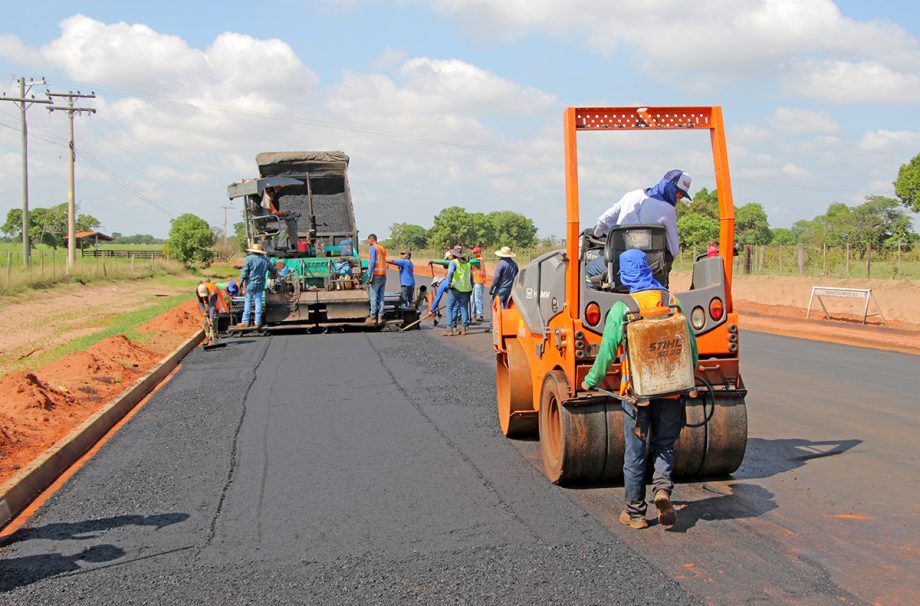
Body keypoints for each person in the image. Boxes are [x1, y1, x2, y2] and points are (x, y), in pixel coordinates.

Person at [580, 249, 698, 530]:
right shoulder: (672, 301)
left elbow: (607, 351)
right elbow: (690, 345)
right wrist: (690, 380)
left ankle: (635, 513)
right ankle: (662, 490)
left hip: (637, 395)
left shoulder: (624, 308)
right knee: (664, 445)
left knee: (635, 451)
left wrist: (591, 380)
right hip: (672, 390)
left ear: (625, 275)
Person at [592, 170, 692, 287]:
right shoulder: (668, 210)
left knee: (588, 271)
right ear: (669, 187)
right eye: (678, 194)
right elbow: (674, 250)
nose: (679, 199)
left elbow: (604, 220)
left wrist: (597, 234)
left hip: (619, 268)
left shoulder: (631, 196)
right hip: (652, 272)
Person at [236, 243, 278, 329]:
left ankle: (245, 322)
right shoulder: (265, 260)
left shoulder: (249, 259)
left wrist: (240, 282)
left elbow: (244, 272)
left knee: (248, 301)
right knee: (258, 301)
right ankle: (258, 322)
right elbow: (273, 269)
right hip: (260, 284)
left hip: (250, 284)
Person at [444, 245, 473, 336]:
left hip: (455, 288)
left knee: (449, 308)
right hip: (466, 289)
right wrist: (471, 287)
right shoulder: (468, 263)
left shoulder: (453, 262)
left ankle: (450, 329)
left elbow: (451, 272)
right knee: (464, 308)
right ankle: (463, 328)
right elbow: (471, 277)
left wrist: (449, 282)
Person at [365, 233, 388, 324]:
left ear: (371, 240)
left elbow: (373, 261)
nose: (368, 242)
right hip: (383, 275)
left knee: (373, 296)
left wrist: (370, 274)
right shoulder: (382, 248)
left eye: (368, 240)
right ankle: (381, 316)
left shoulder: (373, 248)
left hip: (376, 275)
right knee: (381, 296)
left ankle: (373, 317)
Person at [471, 246, 488, 322]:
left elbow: (470, 262)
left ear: (479, 253)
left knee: (477, 299)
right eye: (473, 252)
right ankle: (473, 315)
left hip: (479, 283)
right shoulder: (475, 260)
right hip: (475, 283)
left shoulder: (479, 260)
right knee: (473, 300)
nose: (474, 254)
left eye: (475, 252)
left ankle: (480, 315)